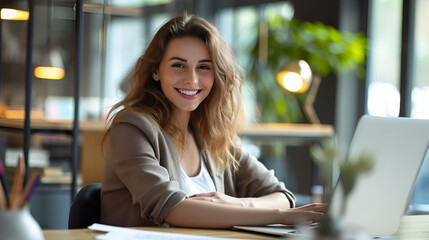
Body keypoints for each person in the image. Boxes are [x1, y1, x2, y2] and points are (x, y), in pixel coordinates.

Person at [100, 12, 326, 228]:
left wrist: (240, 204)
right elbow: (170, 207)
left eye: (204, 67)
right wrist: (281, 217)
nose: (192, 79)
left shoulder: (211, 134)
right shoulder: (131, 128)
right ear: (156, 71)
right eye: (178, 65)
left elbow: (281, 195)